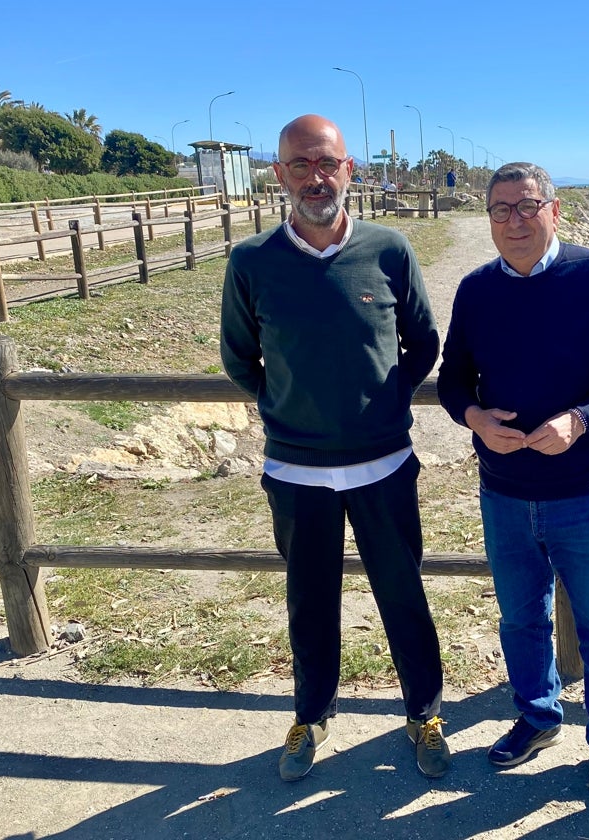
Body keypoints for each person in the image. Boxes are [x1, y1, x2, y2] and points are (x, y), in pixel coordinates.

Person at [220, 114, 449, 783]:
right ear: (280, 175)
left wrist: (382, 401)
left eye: (328, 163)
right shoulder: (252, 261)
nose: (315, 178)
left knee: (403, 594)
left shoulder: (389, 248)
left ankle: (425, 714)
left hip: (384, 464)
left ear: (351, 169)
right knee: (309, 599)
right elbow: (240, 359)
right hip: (296, 470)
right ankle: (310, 715)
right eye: (300, 165)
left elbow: (424, 343)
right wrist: (292, 410)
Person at [437, 162, 589, 807]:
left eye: (527, 206)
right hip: (503, 490)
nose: (514, 220)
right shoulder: (478, 289)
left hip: (586, 490)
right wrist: (475, 417)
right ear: (488, 218)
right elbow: (454, 380)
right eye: (501, 209)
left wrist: (583, 418)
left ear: (553, 210)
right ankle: (537, 716)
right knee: (521, 619)